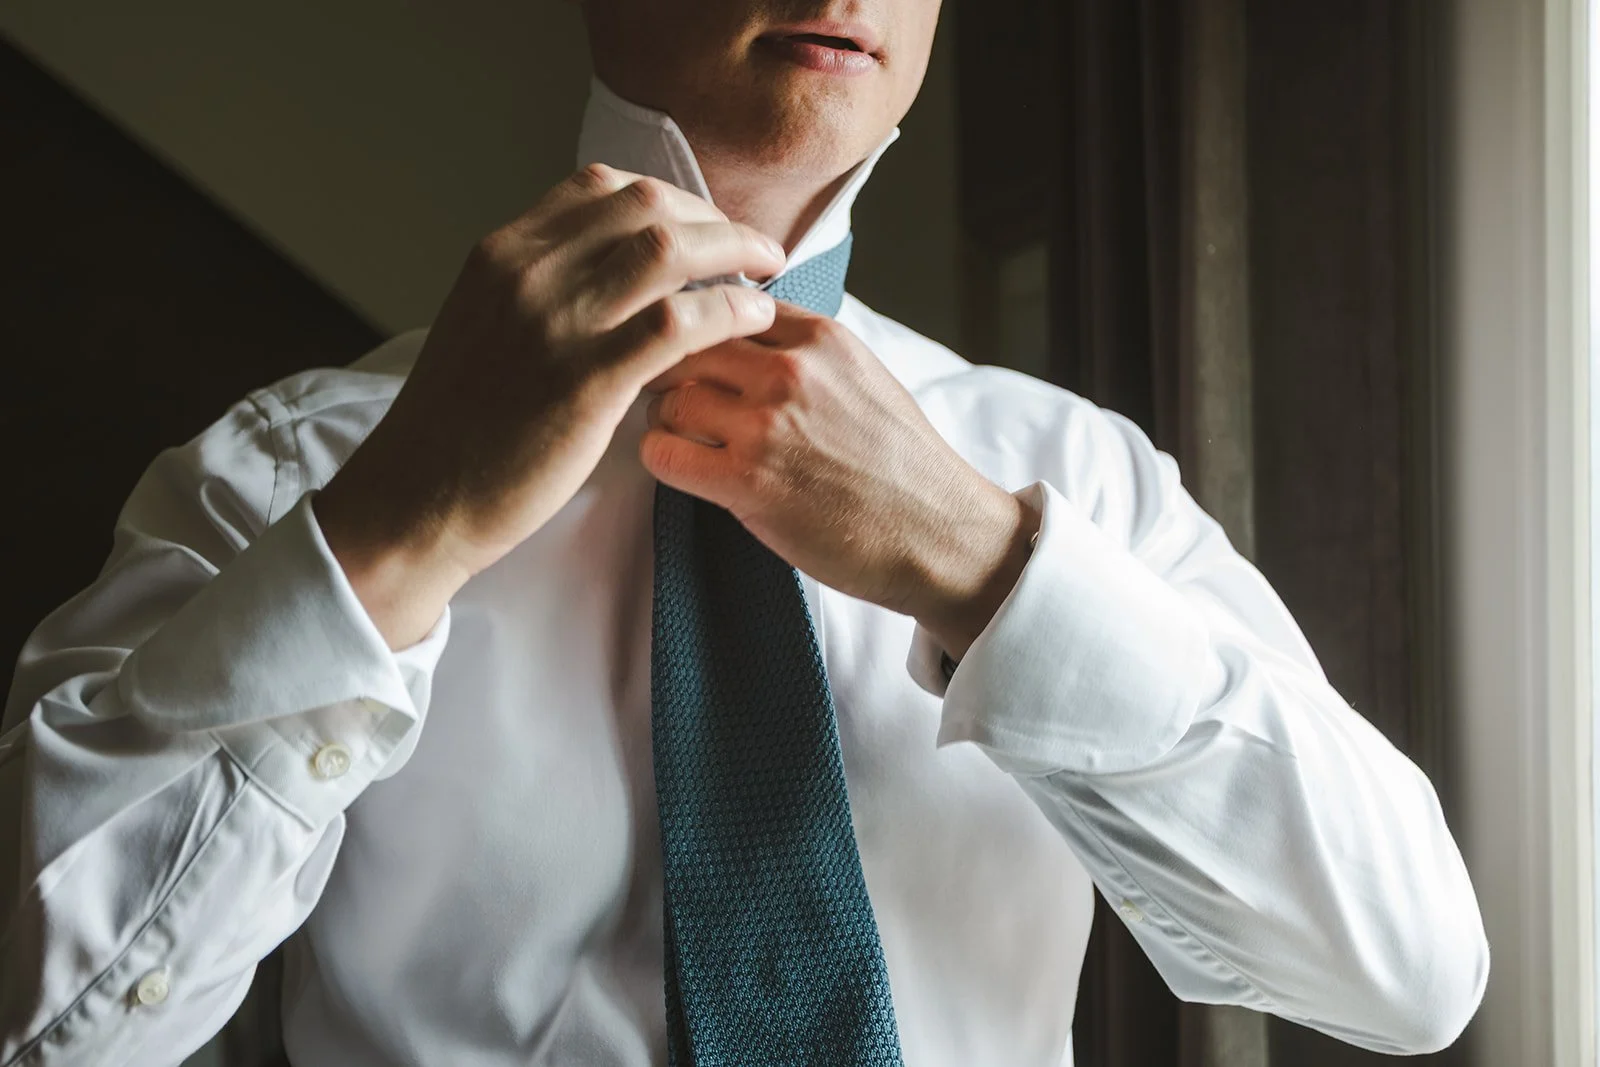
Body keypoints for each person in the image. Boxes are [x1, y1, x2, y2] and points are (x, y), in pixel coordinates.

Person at [0, 1, 1488, 1064]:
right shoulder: (295, 471)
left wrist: (987, 564)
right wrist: (394, 533)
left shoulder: (1069, 481)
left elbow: (1412, 971)